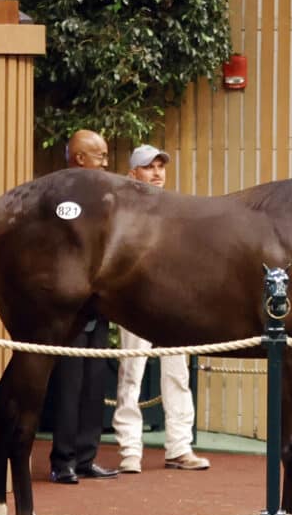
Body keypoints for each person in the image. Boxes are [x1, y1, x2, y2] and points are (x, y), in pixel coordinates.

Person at [113, 144, 210, 472]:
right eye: (148, 166)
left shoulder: (175, 208)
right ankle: (129, 450)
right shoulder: (122, 213)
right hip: (133, 301)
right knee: (131, 373)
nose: (157, 173)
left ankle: (180, 447)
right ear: (133, 173)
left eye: (160, 166)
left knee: (178, 373)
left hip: (173, 303)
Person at [48, 129, 119, 484]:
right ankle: (63, 461)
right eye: (100, 155)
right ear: (80, 158)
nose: (106, 162)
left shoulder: (105, 197)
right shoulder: (61, 195)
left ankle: (88, 456)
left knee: (94, 385)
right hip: (71, 308)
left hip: (99, 307)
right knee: (68, 386)